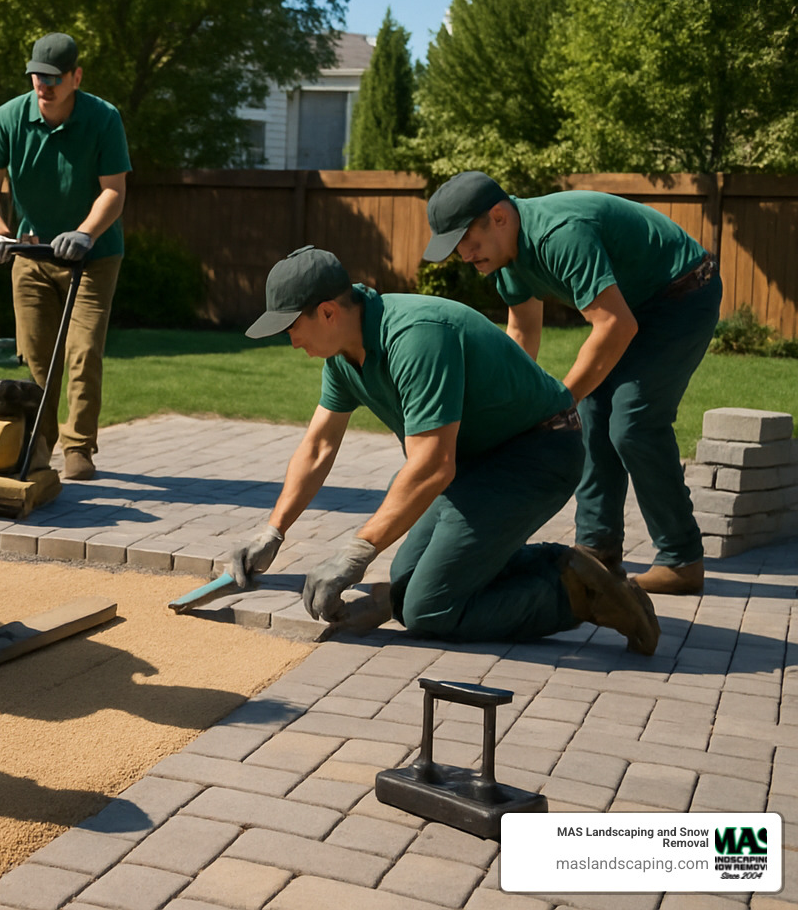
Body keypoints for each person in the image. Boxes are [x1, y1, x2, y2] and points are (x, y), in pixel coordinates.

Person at [226, 246, 660, 654]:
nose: (290, 340)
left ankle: (579, 595)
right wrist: (273, 531)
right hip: (479, 461)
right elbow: (319, 445)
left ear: (327, 312)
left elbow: (432, 466)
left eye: (290, 327)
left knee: (427, 608)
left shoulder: (416, 338)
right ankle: (564, 565)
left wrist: (355, 552)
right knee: (405, 581)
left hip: (538, 452)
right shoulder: (343, 354)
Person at [424, 172, 721, 595]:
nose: (463, 254)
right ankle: (597, 552)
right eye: (455, 246)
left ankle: (682, 559)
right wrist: (513, 406)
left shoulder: (558, 235)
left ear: (499, 217)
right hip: (635, 305)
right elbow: (523, 331)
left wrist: (558, 402)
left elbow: (615, 324)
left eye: (466, 240)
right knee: (590, 414)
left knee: (634, 423)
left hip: (683, 292)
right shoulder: (504, 257)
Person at [0, 32, 131, 481]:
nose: (44, 85)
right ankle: (39, 445)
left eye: (55, 78)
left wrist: (84, 233)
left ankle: (79, 447)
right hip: (32, 253)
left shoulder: (103, 119)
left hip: (93, 256)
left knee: (82, 352)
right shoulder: (9, 117)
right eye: (37, 76)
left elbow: (113, 191)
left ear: (76, 77)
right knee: (38, 357)